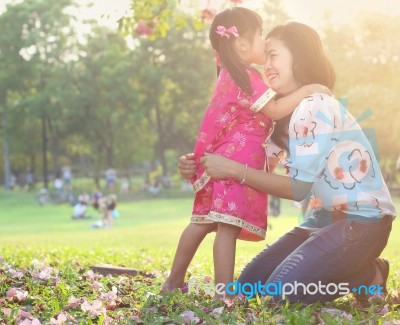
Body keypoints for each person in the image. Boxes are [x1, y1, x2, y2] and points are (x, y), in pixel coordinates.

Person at [178, 22, 396, 304]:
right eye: (265, 56)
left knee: (278, 297)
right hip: (323, 221)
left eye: (274, 55)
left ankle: (368, 276)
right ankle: (358, 271)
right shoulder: (280, 115)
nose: (266, 65)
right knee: (247, 288)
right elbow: (258, 167)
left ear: (299, 56)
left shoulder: (315, 106)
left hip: (362, 224)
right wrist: (202, 165)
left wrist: (232, 169)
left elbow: (298, 189)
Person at [162, 8, 330, 298]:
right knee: (226, 230)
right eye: (260, 34)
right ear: (241, 44)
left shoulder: (230, 75)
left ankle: (173, 282)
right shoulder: (247, 77)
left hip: (223, 158)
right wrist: (310, 89)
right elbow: (276, 110)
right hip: (233, 162)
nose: (264, 42)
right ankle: (223, 293)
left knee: (201, 222)